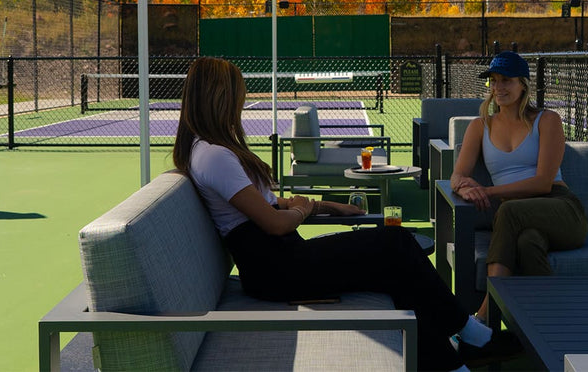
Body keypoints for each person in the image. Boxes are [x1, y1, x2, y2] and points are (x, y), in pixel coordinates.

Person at [172, 57, 493, 372]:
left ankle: (449, 363)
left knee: (394, 274)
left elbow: (273, 203)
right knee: (396, 241)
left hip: (280, 262)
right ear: (220, 98)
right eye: (237, 95)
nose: (241, 103)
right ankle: (464, 326)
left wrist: (328, 206)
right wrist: (304, 208)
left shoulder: (209, 151)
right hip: (277, 270)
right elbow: (274, 222)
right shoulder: (214, 156)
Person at [449, 51, 588, 320]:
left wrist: (486, 191)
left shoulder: (547, 120)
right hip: (520, 223)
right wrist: (463, 188)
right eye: (494, 81)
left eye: (507, 81)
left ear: (523, 84)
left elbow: (542, 183)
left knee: (509, 211)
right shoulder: (480, 126)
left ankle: (484, 317)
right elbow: (458, 174)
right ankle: (547, 327)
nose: (499, 88)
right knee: (527, 244)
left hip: (562, 210)